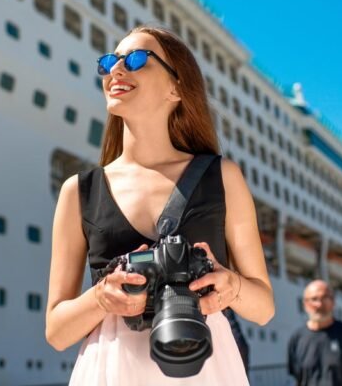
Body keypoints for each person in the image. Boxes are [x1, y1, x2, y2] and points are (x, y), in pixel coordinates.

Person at [45, 26, 275, 385]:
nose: (116, 71)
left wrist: (232, 286)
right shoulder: (79, 191)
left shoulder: (222, 176)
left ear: (176, 88)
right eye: (110, 62)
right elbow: (57, 331)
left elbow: (264, 308)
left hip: (205, 365)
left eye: (136, 59)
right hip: (112, 371)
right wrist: (103, 297)